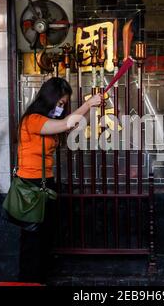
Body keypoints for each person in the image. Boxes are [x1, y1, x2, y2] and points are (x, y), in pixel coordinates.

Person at [16, 77, 102, 283]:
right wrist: (88, 103)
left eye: (63, 105)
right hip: (31, 187)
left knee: (44, 239)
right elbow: (66, 123)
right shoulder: (33, 120)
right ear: (48, 99)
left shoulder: (50, 123)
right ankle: (28, 281)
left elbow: (76, 124)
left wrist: (93, 108)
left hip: (46, 184)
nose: (60, 108)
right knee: (33, 241)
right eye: (60, 103)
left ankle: (39, 279)